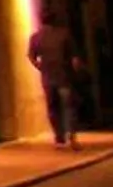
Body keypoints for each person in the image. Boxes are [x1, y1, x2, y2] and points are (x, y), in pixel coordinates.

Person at [26, 19, 81, 147]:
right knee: (68, 107)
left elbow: (31, 56)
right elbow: (75, 59)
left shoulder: (36, 37)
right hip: (64, 76)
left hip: (48, 77)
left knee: (53, 108)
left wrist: (40, 67)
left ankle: (59, 136)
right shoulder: (63, 34)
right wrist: (74, 72)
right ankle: (72, 136)